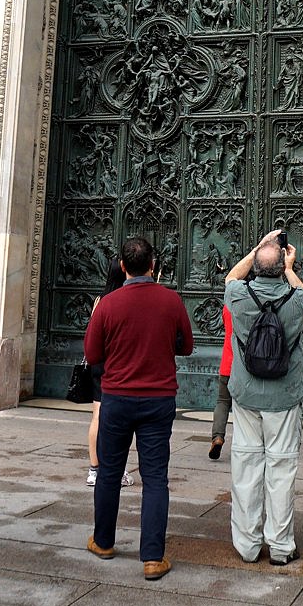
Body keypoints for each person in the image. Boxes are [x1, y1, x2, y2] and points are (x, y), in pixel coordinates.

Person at [83, 236, 192, 581]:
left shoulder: (108, 304)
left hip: (117, 398)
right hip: (158, 399)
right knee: (155, 477)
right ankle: (153, 558)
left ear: (123, 266)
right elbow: (187, 346)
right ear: (153, 266)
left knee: (109, 472)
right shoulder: (171, 300)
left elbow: (93, 354)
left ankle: (103, 542)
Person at [221, 229, 303, 565]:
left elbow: (231, 277)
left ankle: (247, 545)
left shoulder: (238, 295)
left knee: (246, 467)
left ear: (257, 267)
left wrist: (257, 248)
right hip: (284, 397)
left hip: (246, 395)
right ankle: (280, 546)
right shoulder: (296, 299)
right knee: (281, 469)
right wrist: (290, 269)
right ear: (282, 267)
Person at [87, 258, 131, 488]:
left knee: (97, 415)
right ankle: (116, 470)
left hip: (99, 361)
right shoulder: (124, 300)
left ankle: (94, 469)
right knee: (119, 420)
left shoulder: (100, 300)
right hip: (117, 362)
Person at [207, 301, 233, 462]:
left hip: (227, 364)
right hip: (247, 366)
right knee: (246, 407)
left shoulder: (228, 306)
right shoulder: (256, 304)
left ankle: (217, 437)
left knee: (223, 401)